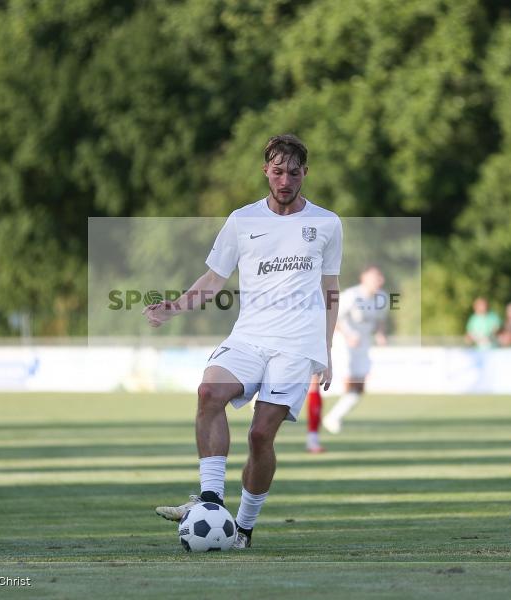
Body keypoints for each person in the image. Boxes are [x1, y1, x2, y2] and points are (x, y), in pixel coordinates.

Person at [144, 134, 342, 549]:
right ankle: (212, 502)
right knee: (209, 391)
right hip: (250, 336)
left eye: (292, 172)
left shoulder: (327, 223)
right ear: (265, 171)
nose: (284, 179)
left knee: (259, 435)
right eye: (277, 170)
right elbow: (215, 278)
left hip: (297, 346)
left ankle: (244, 528)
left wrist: (326, 351)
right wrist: (176, 307)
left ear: (305, 173)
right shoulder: (242, 220)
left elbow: (330, 289)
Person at [322, 265, 388, 435]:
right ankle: (277, 396)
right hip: (343, 343)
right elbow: (332, 316)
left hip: (363, 345)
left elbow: (380, 320)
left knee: (358, 388)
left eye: (380, 278)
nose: (378, 281)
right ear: (364, 278)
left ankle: (333, 417)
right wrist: (348, 335)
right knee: (346, 383)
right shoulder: (351, 295)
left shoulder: (382, 297)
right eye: (375, 277)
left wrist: (380, 334)